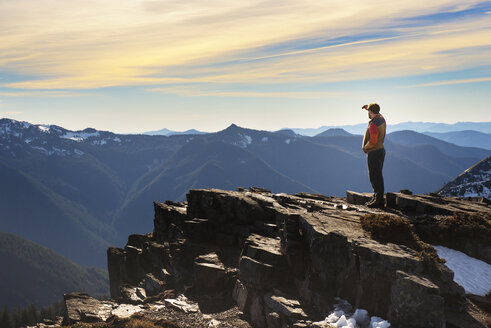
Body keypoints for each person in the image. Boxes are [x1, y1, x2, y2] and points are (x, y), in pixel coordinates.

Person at [362, 103, 386, 208]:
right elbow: (377, 112)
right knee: (378, 175)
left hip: (374, 152)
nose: (368, 113)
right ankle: (378, 198)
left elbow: (372, 141)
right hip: (381, 150)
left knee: (374, 177)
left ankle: (378, 200)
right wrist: (368, 108)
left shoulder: (373, 125)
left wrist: (365, 148)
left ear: (371, 112)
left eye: (369, 111)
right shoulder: (381, 118)